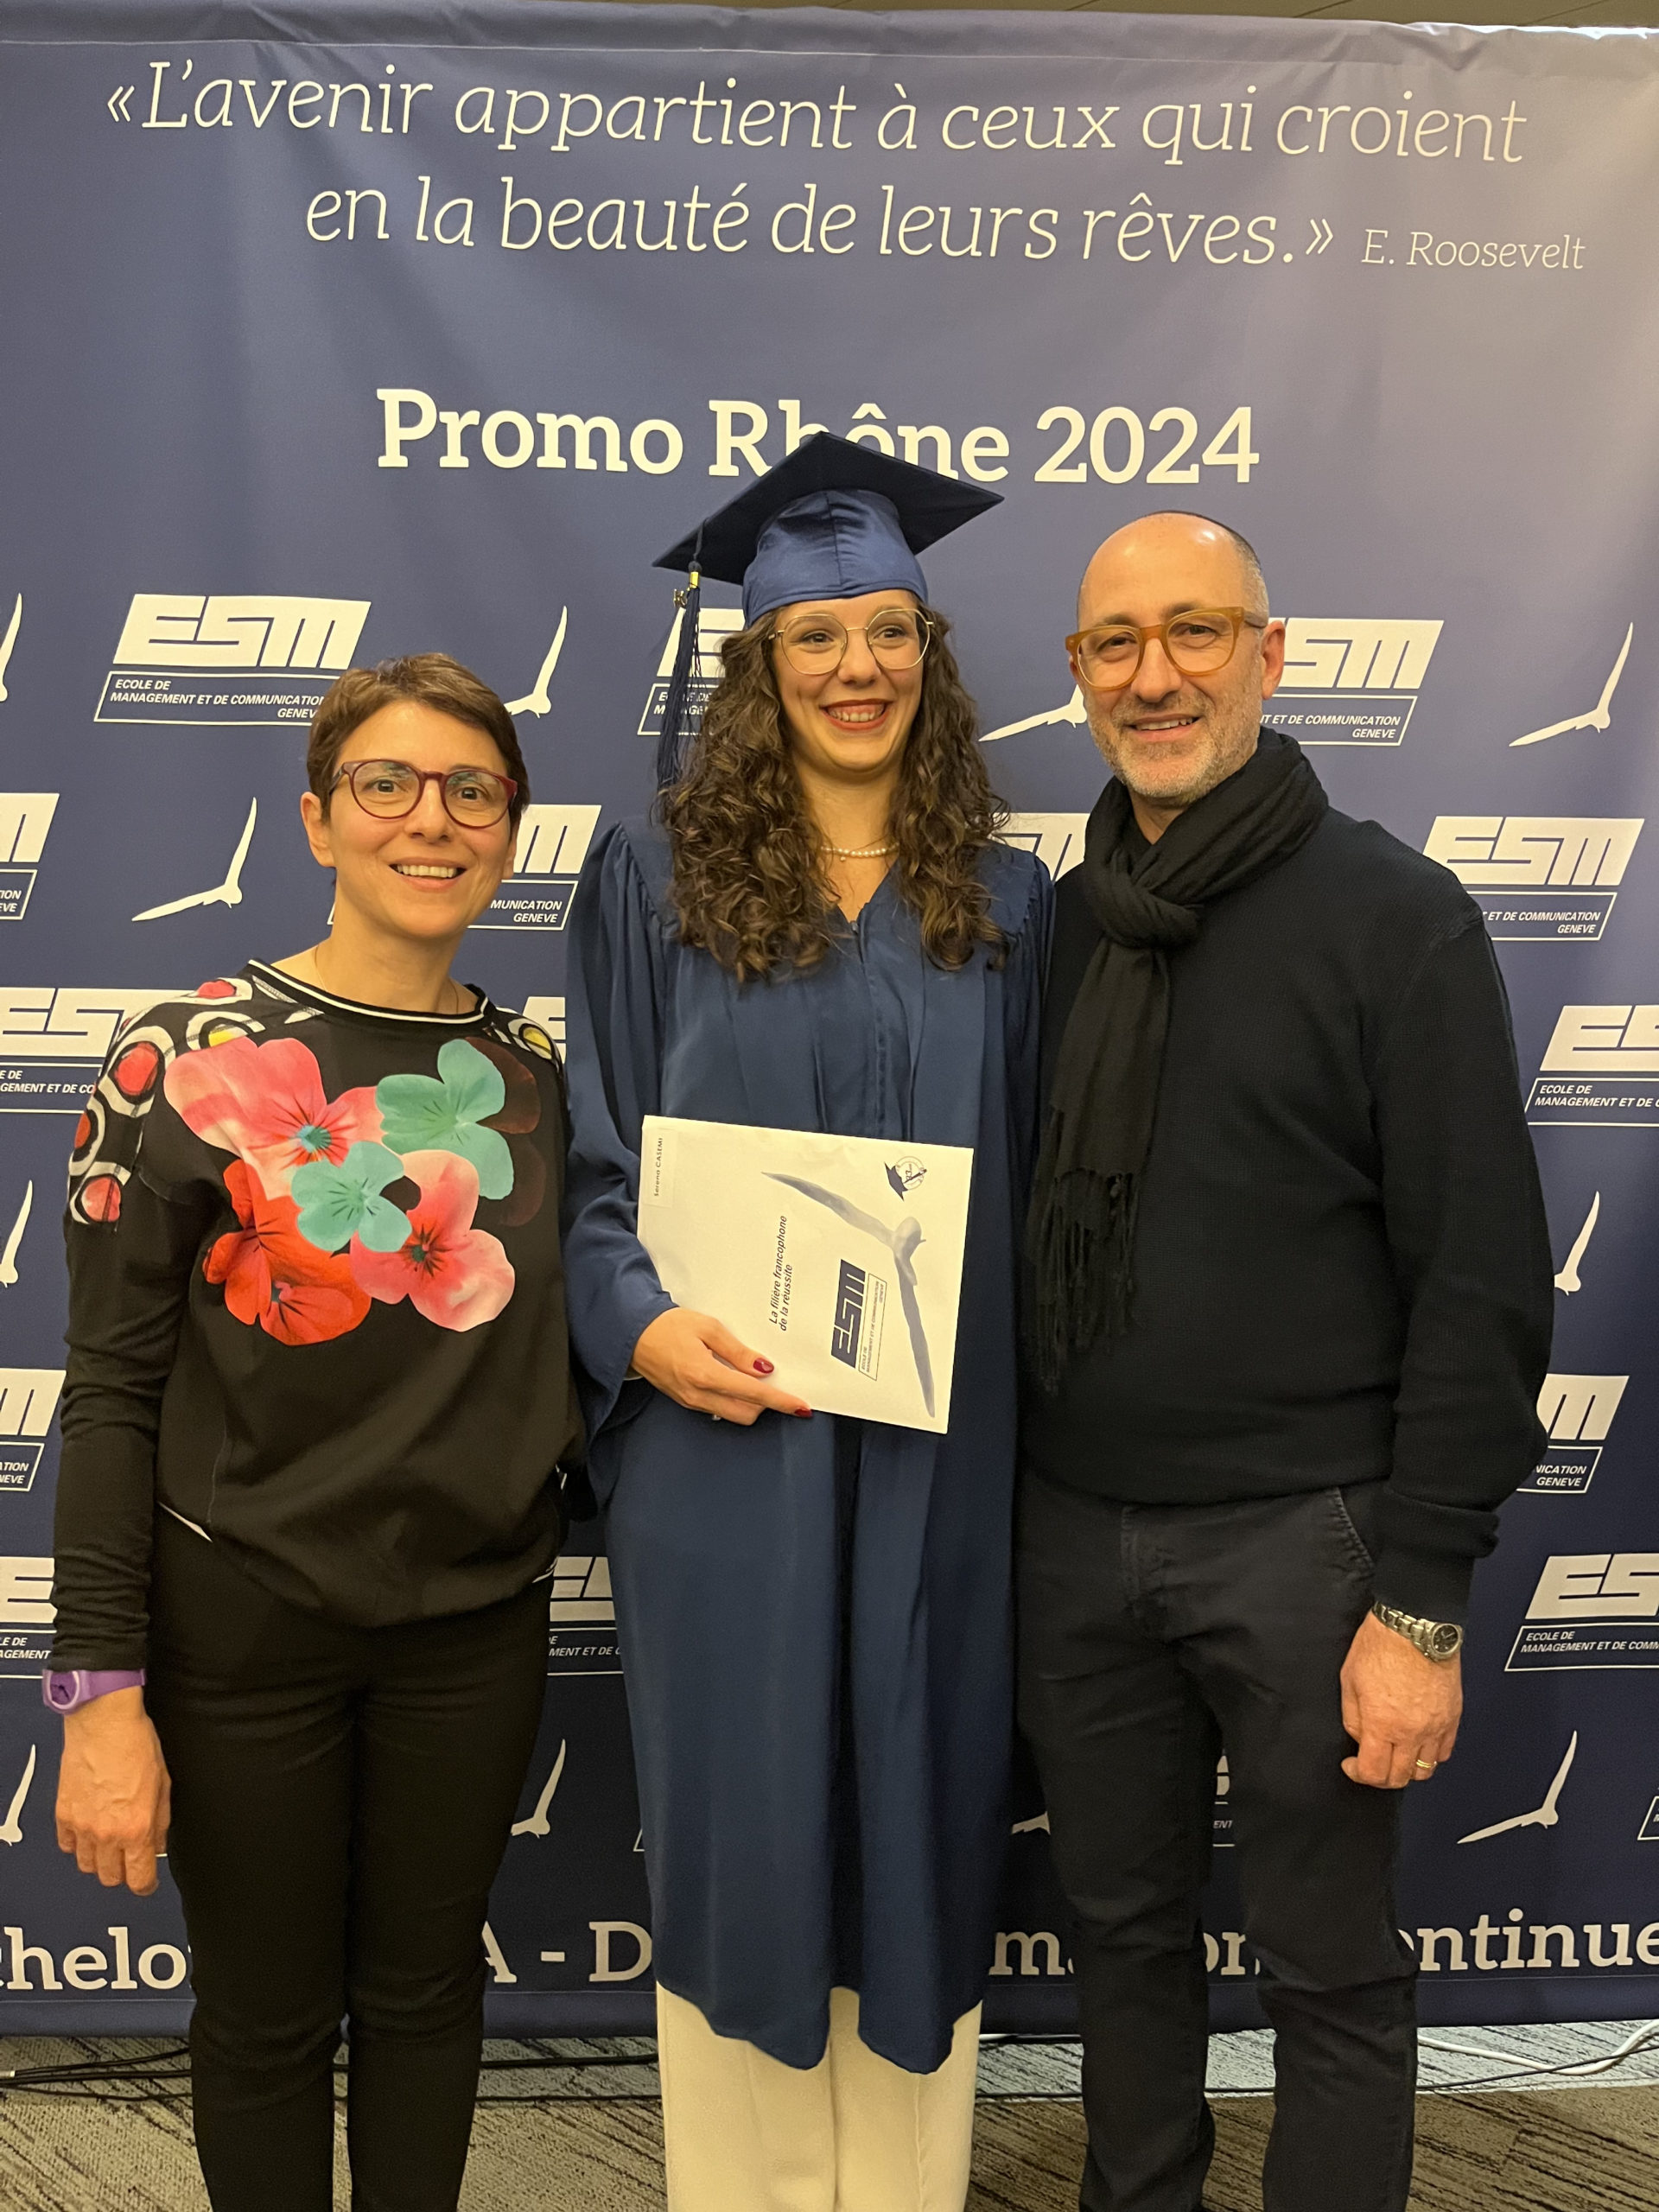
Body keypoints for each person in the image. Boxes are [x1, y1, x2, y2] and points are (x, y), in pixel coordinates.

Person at [1017, 514, 1553, 2212]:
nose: (1154, 674)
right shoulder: (1053, 930)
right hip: (1070, 1534)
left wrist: (1422, 1604)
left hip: (1309, 1546)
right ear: (1078, 674)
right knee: (1119, 1943)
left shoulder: (1397, 917)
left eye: (1195, 630)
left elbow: (1481, 1282)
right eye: (1116, 642)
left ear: (1270, 652)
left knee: (1327, 1964)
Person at [563, 434, 1051, 2212]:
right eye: (816, 636)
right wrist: (639, 1332)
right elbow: (594, 1167)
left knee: (920, 1809)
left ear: (930, 651)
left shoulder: (1007, 903)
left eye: (889, 630)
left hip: (941, 1456)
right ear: (759, 664)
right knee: (751, 1828)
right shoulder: (653, 877)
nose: (858, 666)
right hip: (727, 1443)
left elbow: (1044, 1195)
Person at [49, 653, 582, 2212]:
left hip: (474, 1627)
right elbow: (109, 1392)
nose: (432, 819)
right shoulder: (180, 1062)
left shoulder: (541, 1079)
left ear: (509, 829)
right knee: (267, 2021)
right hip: (243, 1622)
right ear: (316, 820)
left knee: (427, 1998)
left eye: (472, 791)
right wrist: (98, 1693)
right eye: (387, 784)